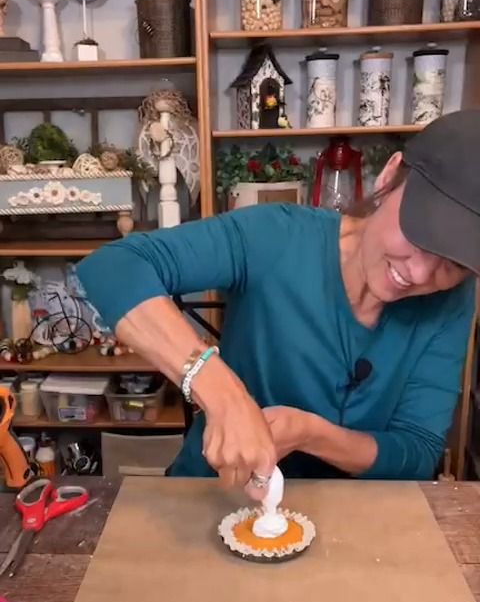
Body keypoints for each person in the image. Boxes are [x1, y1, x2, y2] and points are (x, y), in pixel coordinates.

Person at [77, 110, 479, 496]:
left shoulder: (451, 300)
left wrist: (310, 434)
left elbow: (416, 454)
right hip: (211, 494)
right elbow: (115, 266)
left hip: (352, 520)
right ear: (389, 176)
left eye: (455, 264)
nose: (422, 274)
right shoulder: (275, 236)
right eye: (419, 233)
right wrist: (221, 390)